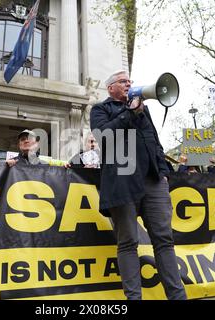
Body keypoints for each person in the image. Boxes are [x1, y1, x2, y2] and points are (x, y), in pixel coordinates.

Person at [90, 70, 186, 300]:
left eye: (130, 81)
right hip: (122, 184)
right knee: (128, 243)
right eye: (123, 81)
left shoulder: (145, 110)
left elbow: (155, 142)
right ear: (110, 87)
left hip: (153, 182)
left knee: (164, 240)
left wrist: (164, 173)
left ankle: (177, 296)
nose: (129, 84)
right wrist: (129, 113)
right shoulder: (100, 110)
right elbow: (103, 137)